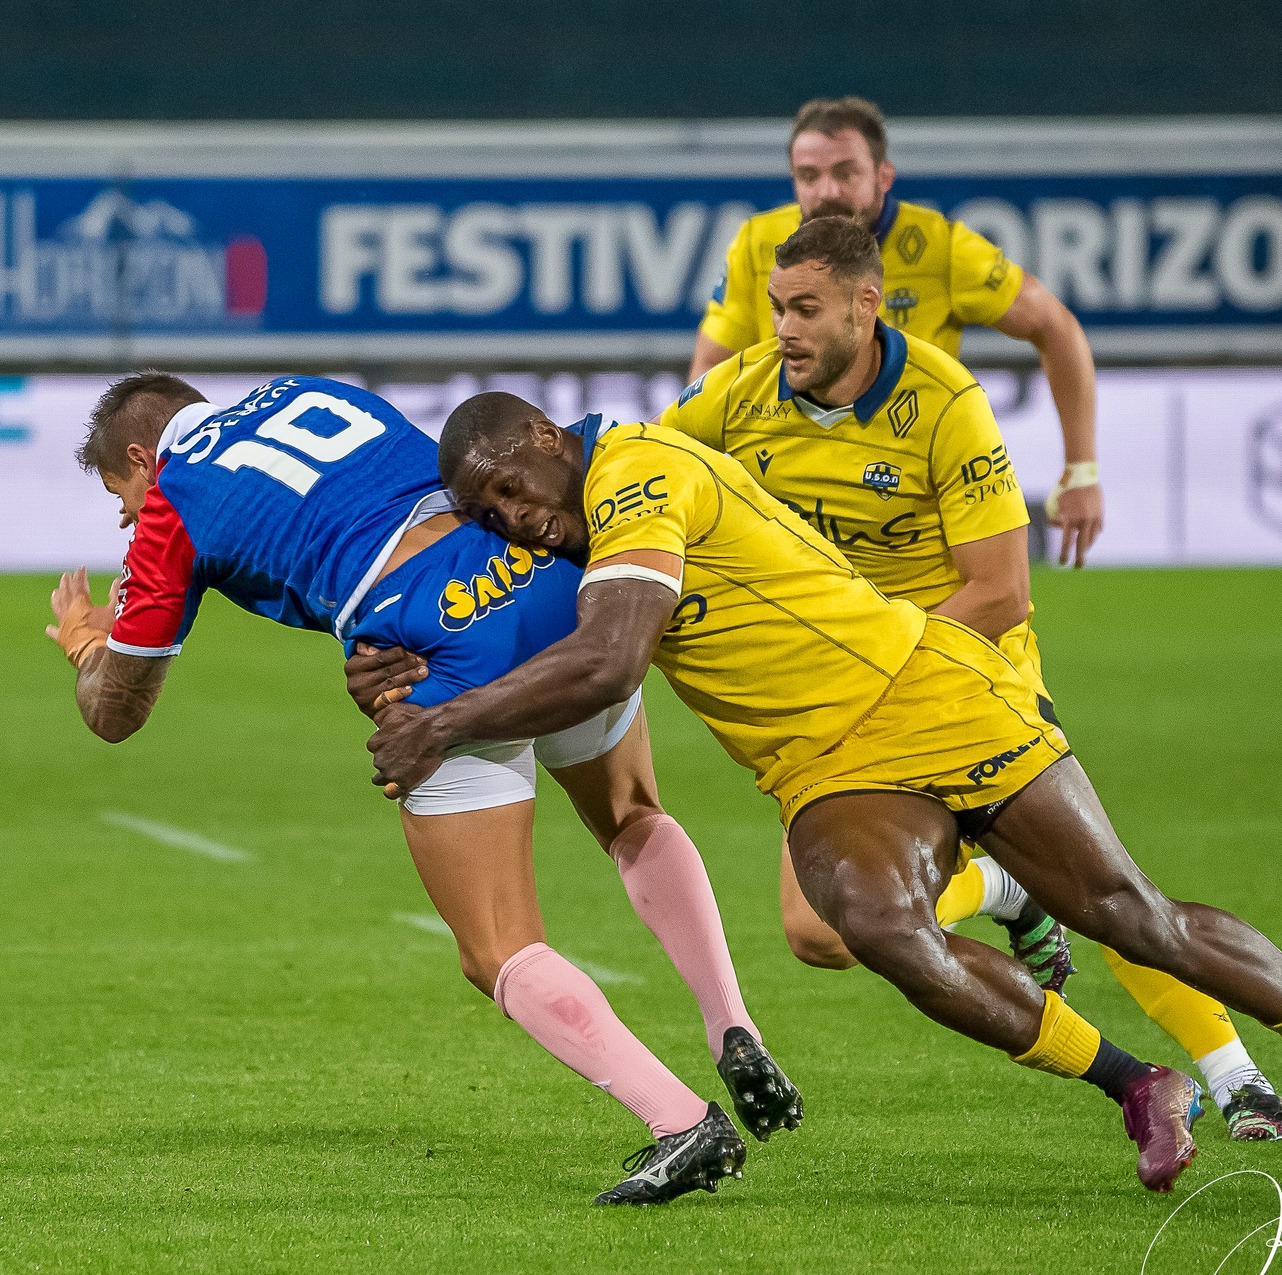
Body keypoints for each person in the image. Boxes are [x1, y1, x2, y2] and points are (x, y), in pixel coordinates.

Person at [362, 384, 1282, 1197]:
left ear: (548, 441)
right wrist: (391, 661)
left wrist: (439, 724)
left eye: (511, 487)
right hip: (825, 768)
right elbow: (482, 618)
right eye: (485, 511)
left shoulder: (639, 475)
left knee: (1132, 916)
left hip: (923, 690)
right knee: (879, 928)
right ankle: (1137, 1083)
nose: (509, 515)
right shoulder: (566, 525)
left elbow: (603, 664)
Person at [45, 371, 799, 1205]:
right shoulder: (310, 389)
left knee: (499, 947)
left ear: (146, 457)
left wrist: (87, 646)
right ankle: (733, 1023)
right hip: (539, 582)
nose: (127, 515)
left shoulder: (172, 505)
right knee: (631, 815)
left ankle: (681, 1121)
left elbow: (117, 711)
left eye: (124, 492)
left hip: (434, 642)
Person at [678, 217, 1282, 1141]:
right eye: (778, 308)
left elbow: (1003, 589)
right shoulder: (741, 388)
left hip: (967, 670)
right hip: (847, 696)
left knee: (1111, 897)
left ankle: (1235, 1071)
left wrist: (1078, 469)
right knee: (819, 934)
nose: (783, 327)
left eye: (803, 308)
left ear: (865, 291)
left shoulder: (944, 382)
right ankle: (1011, 892)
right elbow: (642, 462)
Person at [691, 96, 1104, 570]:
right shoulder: (759, 244)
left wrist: (1082, 470)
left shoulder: (940, 247)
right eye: (809, 176)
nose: (826, 191)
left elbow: (1055, 326)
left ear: (883, 176)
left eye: (846, 173)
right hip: (798, 496)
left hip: (912, 505)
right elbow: (711, 369)